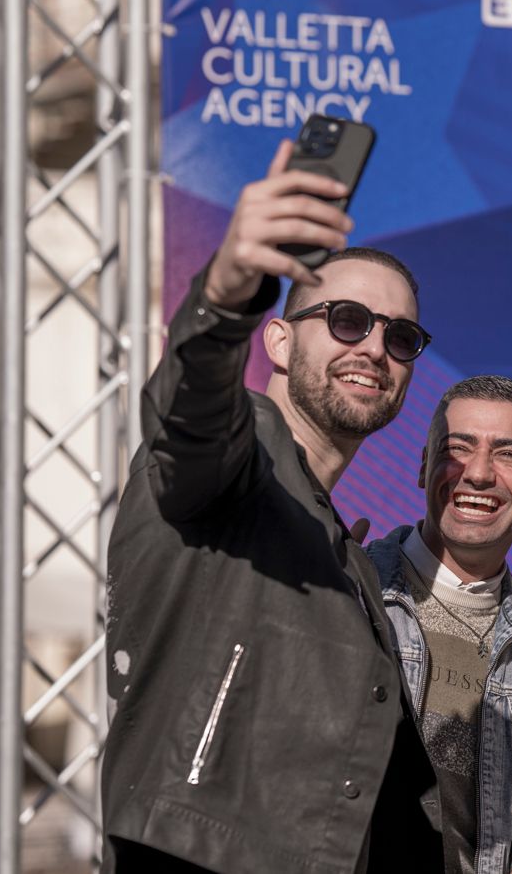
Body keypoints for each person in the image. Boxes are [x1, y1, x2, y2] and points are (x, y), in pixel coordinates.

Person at [102, 143, 439, 873]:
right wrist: (225, 293)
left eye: (401, 336)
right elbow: (187, 411)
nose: (376, 347)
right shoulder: (237, 450)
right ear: (280, 340)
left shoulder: (348, 558)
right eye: (347, 319)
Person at [366, 375, 512, 874]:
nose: (478, 473)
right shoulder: (353, 591)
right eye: (457, 448)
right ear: (423, 466)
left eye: (507, 454)